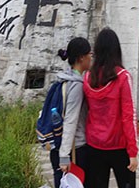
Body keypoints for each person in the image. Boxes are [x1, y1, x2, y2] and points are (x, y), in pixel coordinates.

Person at [83, 28, 138, 188]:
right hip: (119, 146)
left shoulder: (87, 78)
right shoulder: (123, 77)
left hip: (94, 145)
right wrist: (133, 152)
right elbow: (129, 116)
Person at [50, 37, 92, 188]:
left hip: (58, 146)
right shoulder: (76, 85)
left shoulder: (62, 79)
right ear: (81, 58)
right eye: (89, 54)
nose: (91, 57)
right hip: (75, 150)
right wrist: (64, 156)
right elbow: (70, 120)